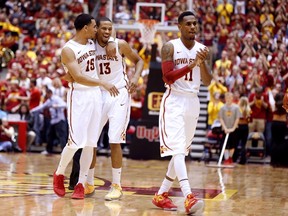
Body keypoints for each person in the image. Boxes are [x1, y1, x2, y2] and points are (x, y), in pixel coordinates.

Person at [69, 16, 144, 201]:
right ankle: (89, 182)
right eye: (103, 28)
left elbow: (139, 61)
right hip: (98, 93)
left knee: (114, 139)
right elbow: (75, 40)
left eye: (110, 29)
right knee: (90, 141)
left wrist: (135, 79)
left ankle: (117, 185)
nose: (107, 32)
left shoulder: (120, 44)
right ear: (95, 30)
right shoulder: (89, 45)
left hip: (119, 93)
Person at [53, 13, 119, 200]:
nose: (97, 29)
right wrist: (102, 83)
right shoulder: (68, 49)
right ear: (85, 29)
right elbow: (78, 76)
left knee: (91, 143)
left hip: (94, 96)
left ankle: (81, 183)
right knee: (75, 142)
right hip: (79, 95)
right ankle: (59, 174)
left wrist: (112, 40)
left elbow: (108, 36)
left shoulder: (92, 42)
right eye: (94, 26)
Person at [152, 11, 212, 215]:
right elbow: (168, 77)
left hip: (193, 102)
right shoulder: (170, 47)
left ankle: (161, 194)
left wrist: (201, 62)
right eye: (188, 24)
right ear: (179, 26)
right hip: (174, 100)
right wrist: (192, 64)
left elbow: (208, 81)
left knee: (181, 151)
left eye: (195, 23)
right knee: (178, 150)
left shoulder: (204, 50)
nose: (193, 27)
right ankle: (189, 196)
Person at [30, 89, 67, 154]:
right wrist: (32, 110)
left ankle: (64, 151)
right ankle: (49, 150)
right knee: (50, 135)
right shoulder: (49, 101)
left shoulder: (57, 98)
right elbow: (42, 107)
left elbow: (65, 105)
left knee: (62, 136)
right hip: (53, 121)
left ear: (49, 93)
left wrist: (57, 106)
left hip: (60, 120)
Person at [218, 92, 242, 164]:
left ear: (232, 98)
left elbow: (237, 118)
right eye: (227, 97)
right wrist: (225, 128)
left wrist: (233, 128)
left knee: (232, 145)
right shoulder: (222, 108)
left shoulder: (236, 107)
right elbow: (221, 118)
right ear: (225, 98)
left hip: (233, 129)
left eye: (230, 97)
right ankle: (226, 158)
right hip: (225, 129)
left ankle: (230, 158)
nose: (228, 99)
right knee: (225, 145)